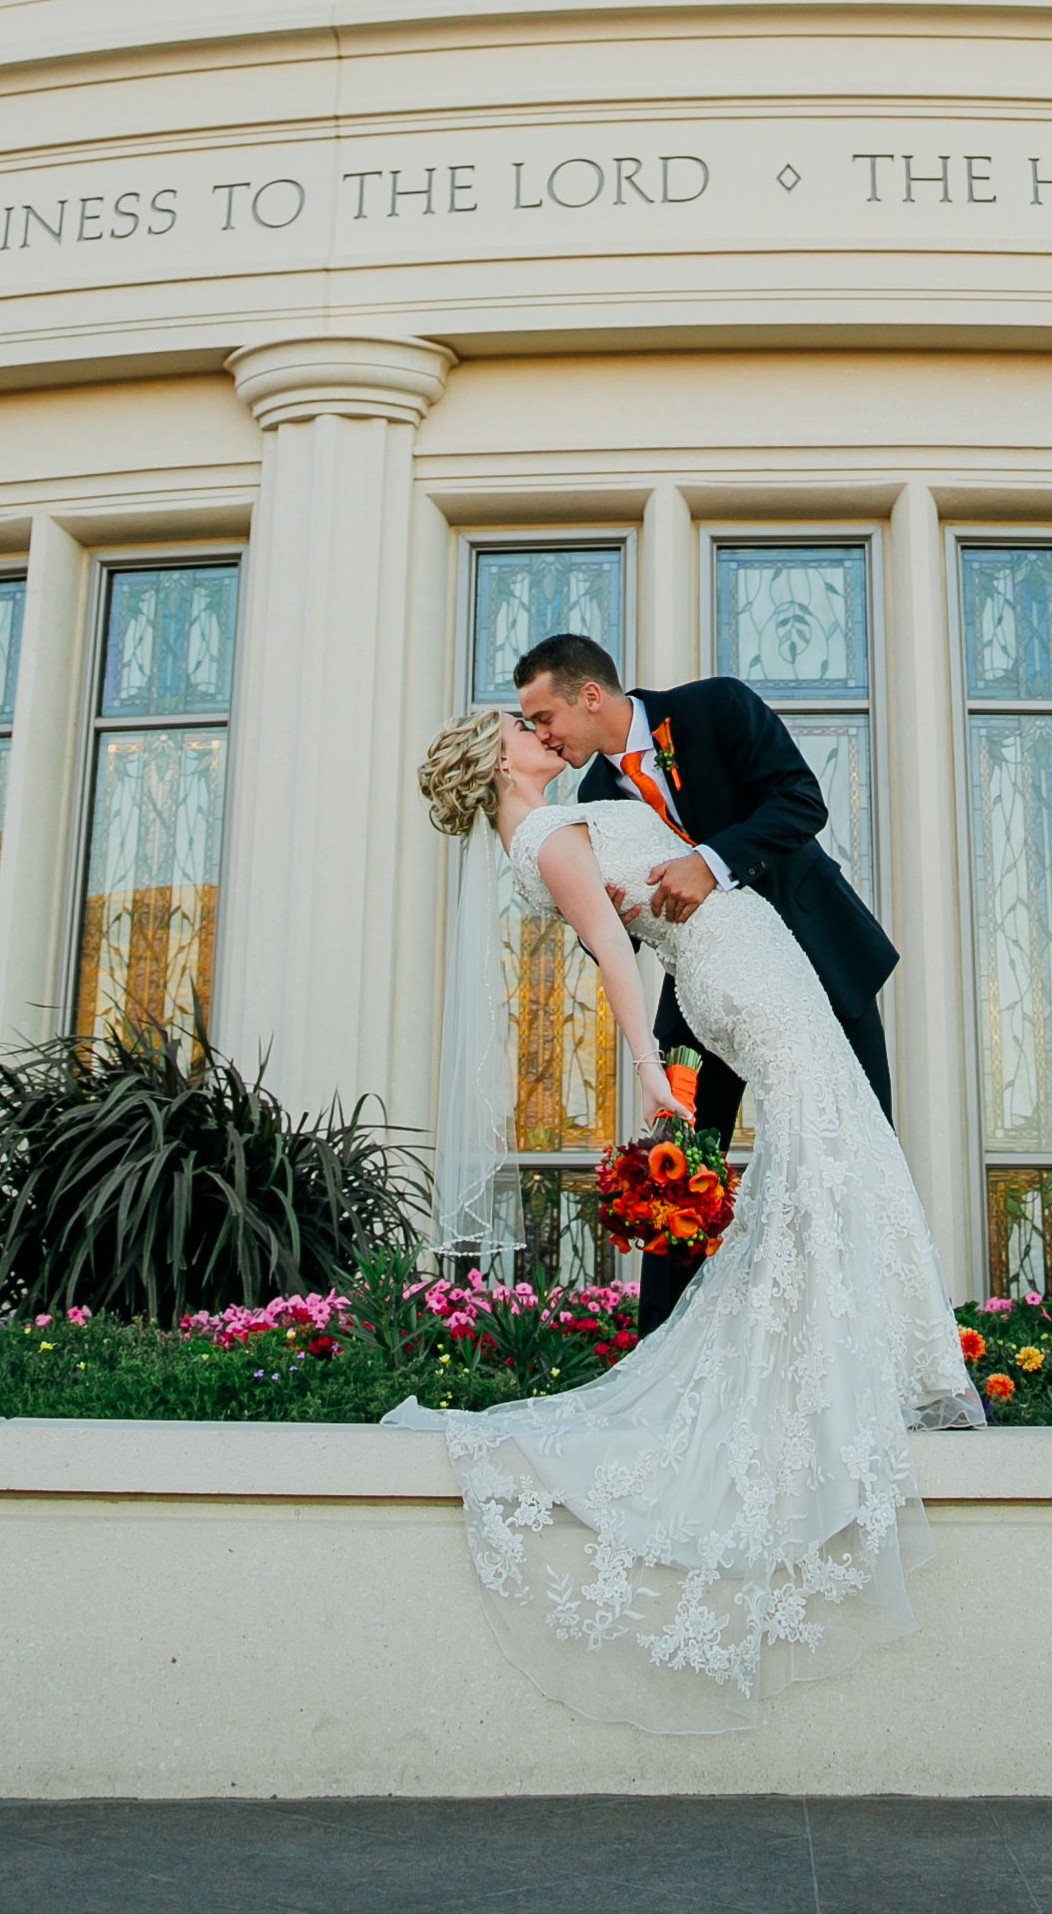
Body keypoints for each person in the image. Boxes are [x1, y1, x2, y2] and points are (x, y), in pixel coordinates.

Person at [394, 700, 981, 1734]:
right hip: (734, 973)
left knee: (837, 1139)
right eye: (524, 726)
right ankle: (877, 1359)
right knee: (835, 1137)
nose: (543, 728)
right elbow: (617, 956)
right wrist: (652, 1077)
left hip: (748, 955)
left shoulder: (557, 819)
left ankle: (877, 1352)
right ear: (499, 759)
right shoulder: (544, 836)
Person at [515, 631, 896, 1335]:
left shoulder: (715, 707)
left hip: (818, 964)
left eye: (544, 717)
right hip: (702, 1001)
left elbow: (800, 801)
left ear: (590, 696)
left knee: (858, 1149)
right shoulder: (594, 795)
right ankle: (661, 1349)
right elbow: (616, 937)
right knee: (678, 1170)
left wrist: (711, 861)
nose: (541, 734)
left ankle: (868, 1339)